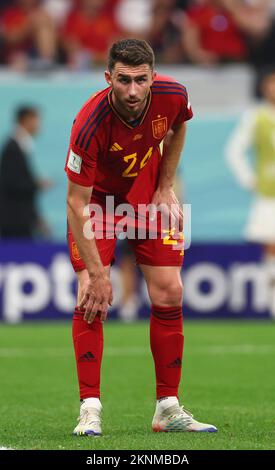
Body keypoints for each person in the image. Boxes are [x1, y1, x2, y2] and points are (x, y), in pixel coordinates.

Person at [65, 38, 217, 436]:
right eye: (123, 80)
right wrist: (98, 275)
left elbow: (179, 125)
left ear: (152, 77)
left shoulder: (172, 95)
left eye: (140, 80)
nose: (132, 90)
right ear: (108, 78)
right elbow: (76, 203)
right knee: (90, 297)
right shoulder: (88, 124)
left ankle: (167, 407)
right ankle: (90, 407)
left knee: (170, 292)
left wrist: (166, 185)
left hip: (148, 195)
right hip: (98, 204)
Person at [226, 66, 275, 318]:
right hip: (268, 194)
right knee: (271, 248)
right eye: (271, 83)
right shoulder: (257, 117)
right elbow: (234, 150)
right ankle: (272, 304)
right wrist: (249, 179)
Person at [0, 106, 51, 238]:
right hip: (14, 221)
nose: (39, 125)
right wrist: (37, 184)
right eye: (36, 120)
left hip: (20, 219)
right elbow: (12, 184)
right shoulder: (12, 148)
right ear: (26, 120)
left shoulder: (20, 146)